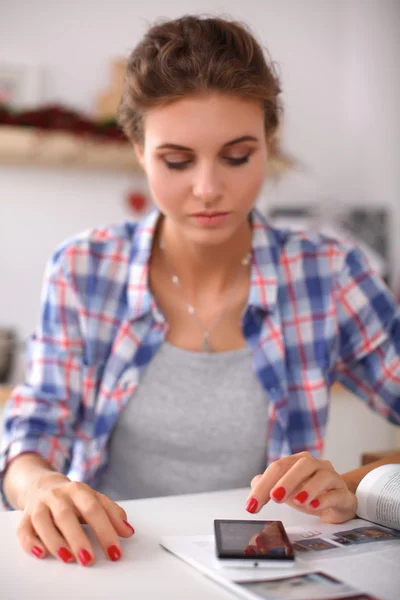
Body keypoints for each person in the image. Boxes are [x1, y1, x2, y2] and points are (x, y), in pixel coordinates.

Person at [0, 14, 399, 569]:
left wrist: (352, 485)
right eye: (177, 161)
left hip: (270, 569)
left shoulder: (330, 272)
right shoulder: (83, 268)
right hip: (115, 565)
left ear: (269, 141)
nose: (208, 189)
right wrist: (40, 486)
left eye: (237, 157)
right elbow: (31, 434)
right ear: (139, 149)